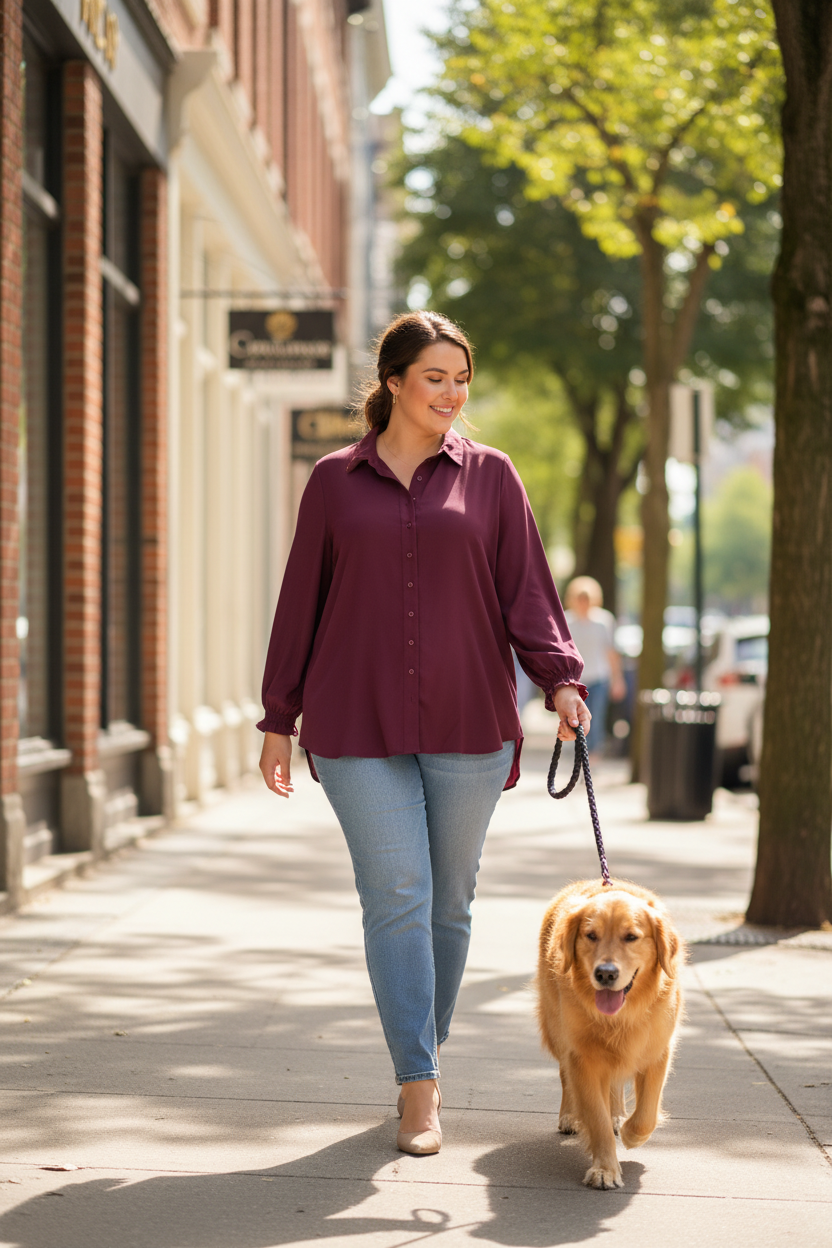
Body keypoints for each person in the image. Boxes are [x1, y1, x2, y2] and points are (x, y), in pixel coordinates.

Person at [257, 311, 590, 1157]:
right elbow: (302, 601)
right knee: (397, 892)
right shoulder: (334, 481)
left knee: (448, 903)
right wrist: (277, 716)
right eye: (435, 376)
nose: (451, 392)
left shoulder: (493, 478)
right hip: (354, 720)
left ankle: (420, 1052)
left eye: (460, 378)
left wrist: (559, 678)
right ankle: (420, 1086)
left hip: (468, 720)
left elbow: (527, 590)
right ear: (395, 382)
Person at [564, 576, 626, 759]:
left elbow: (611, 652)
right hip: (576, 680)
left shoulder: (604, 621)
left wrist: (617, 680)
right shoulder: (567, 621)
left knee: (596, 718)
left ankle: (594, 755)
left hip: (599, 677)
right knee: (575, 719)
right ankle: (580, 754)